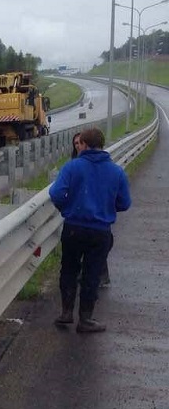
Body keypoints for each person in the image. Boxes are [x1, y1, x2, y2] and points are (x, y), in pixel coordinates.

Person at [49, 127, 130, 333]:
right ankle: (85, 319)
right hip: (100, 230)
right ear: (102, 145)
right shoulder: (116, 171)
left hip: (74, 227)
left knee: (68, 268)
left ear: (83, 144)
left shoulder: (72, 167)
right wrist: (106, 207)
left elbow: (57, 193)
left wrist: (67, 208)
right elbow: (125, 203)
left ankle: (66, 312)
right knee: (91, 274)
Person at [70, 132, 111, 288]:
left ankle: (98, 276)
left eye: (80, 143)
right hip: (81, 218)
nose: (78, 146)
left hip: (95, 217)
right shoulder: (73, 165)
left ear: (86, 144)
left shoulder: (101, 165)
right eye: (75, 144)